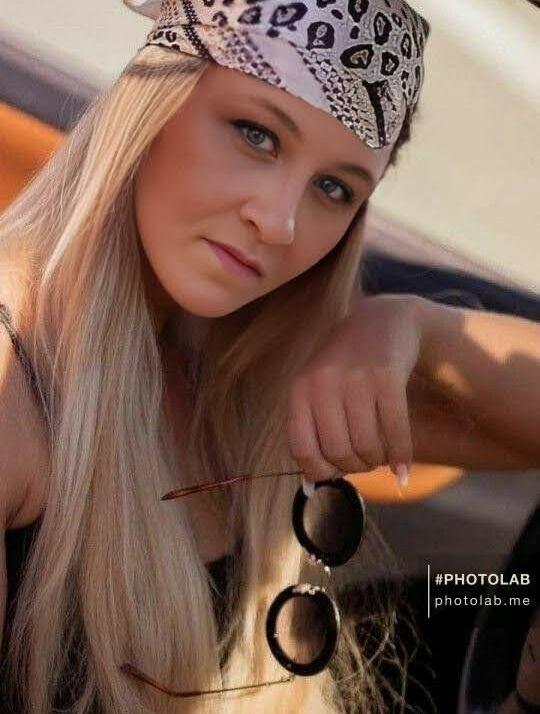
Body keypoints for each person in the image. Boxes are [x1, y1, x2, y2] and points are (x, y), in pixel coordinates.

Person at [0, 1, 538, 713]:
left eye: (334, 188)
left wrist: (412, 325)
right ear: (153, 101)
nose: (280, 222)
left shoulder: (244, 379)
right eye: (256, 134)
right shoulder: (13, 375)